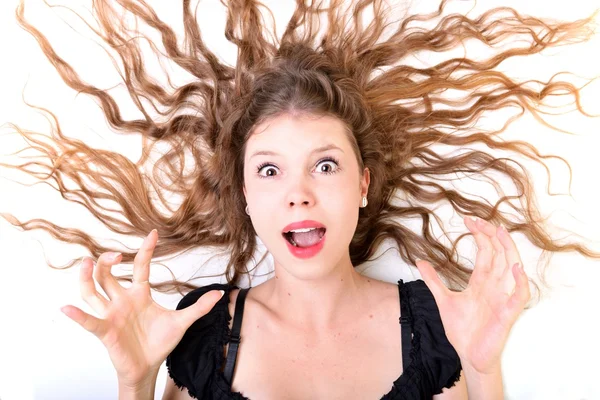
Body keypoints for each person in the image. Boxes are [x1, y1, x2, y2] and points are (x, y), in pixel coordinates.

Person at [1, 0, 599, 399]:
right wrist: (134, 382)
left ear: (363, 185)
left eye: (326, 164)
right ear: (245, 194)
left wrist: (485, 370)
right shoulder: (203, 330)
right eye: (269, 170)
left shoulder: (431, 326)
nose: (299, 194)